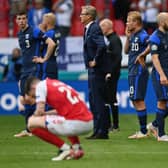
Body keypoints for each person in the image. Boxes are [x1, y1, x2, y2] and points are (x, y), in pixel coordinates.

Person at [24, 76, 93, 161]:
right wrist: (46, 114)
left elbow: (39, 110)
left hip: (76, 124)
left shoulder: (40, 86)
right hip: (89, 122)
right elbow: (61, 110)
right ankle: (77, 148)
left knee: (31, 123)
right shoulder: (54, 83)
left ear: (33, 88)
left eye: (33, 95)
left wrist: (34, 117)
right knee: (65, 117)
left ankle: (66, 149)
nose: (35, 97)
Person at [14, 11, 56, 137]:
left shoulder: (35, 31)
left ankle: (41, 124)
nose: (21, 21)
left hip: (34, 69)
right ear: (16, 21)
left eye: (23, 18)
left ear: (27, 19)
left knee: (33, 99)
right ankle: (30, 128)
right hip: (25, 69)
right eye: (19, 19)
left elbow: (51, 43)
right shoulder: (19, 33)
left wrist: (44, 59)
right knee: (24, 99)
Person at [80, 5, 109, 139]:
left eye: (83, 14)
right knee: (93, 100)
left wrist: (95, 60)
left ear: (89, 16)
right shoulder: (88, 29)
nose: (80, 16)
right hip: (92, 70)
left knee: (98, 101)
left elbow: (102, 45)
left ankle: (102, 131)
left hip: (97, 70)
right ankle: (97, 130)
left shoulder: (95, 28)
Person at [124, 11, 149, 139]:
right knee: (135, 99)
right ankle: (144, 130)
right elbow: (126, 51)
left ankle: (144, 131)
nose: (127, 23)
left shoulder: (143, 35)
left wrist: (142, 55)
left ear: (136, 22)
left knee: (138, 99)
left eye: (129, 21)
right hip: (132, 70)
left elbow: (152, 44)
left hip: (139, 71)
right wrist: (128, 37)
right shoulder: (133, 35)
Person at [147, 12, 168, 141]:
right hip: (160, 73)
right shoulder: (155, 37)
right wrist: (162, 75)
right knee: (162, 101)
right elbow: (155, 58)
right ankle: (161, 134)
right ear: (162, 22)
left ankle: (155, 125)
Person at [99, 18, 122, 131]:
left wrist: (109, 72)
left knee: (111, 98)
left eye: (102, 26)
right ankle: (109, 124)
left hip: (112, 73)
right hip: (109, 73)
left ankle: (115, 125)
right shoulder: (109, 39)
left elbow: (117, 58)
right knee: (108, 98)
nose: (100, 29)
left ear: (108, 27)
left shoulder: (114, 40)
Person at [33, 12, 61, 80]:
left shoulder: (49, 33)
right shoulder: (57, 32)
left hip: (47, 65)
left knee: (45, 87)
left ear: (47, 22)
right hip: (54, 63)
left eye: (43, 21)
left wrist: (44, 59)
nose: (42, 23)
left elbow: (51, 45)